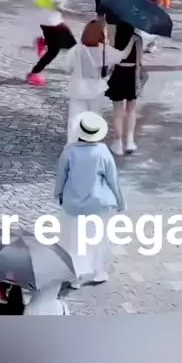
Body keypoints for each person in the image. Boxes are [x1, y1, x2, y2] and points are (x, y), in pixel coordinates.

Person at [55, 112, 125, 289]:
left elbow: (61, 177)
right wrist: (120, 201)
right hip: (98, 204)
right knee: (97, 240)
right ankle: (98, 271)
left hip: (73, 205)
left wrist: (59, 195)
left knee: (75, 241)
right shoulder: (103, 152)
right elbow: (112, 179)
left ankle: (76, 275)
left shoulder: (69, 151)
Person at [65, 20, 136, 143]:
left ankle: (72, 143)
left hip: (77, 89)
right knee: (95, 116)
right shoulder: (104, 50)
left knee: (75, 117)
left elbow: (67, 68)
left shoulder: (75, 50)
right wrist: (132, 40)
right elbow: (123, 56)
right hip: (96, 89)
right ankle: (92, 141)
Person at [26, 0, 82, 86]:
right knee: (66, 47)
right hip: (50, 20)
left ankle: (44, 43)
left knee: (59, 48)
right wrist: (77, 15)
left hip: (52, 19)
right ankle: (34, 73)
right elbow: (56, 6)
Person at [105, 23, 145, 155]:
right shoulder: (137, 38)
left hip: (118, 72)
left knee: (117, 110)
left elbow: (111, 56)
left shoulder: (113, 33)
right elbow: (139, 62)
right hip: (132, 73)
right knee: (131, 109)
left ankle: (118, 143)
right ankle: (129, 140)